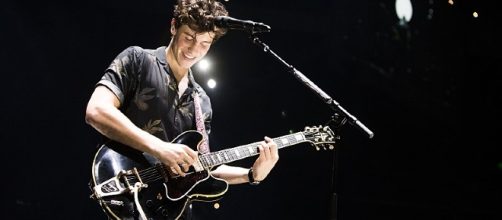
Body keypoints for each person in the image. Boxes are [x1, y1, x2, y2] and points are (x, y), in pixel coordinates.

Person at [85, 0, 279, 219]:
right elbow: (96, 110)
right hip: (123, 188)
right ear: (173, 26)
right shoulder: (137, 59)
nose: (194, 50)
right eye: (189, 37)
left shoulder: (201, 100)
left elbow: (203, 167)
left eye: (204, 43)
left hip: (167, 211)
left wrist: (252, 175)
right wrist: (160, 148)